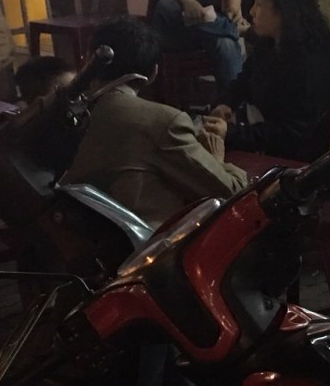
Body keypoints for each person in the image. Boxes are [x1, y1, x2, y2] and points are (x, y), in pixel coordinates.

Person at [64, 16, 247, 228]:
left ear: (89, 58)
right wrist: (216, 159)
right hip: (145, 243)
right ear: (153, 73)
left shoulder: (64, 110)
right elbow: (232, 191)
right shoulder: (163, 122)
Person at [211, 0, 330, 162]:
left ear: (283, 10)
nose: (252, 11)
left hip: (292, 161)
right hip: (261, 143)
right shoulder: (268, 46)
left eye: (259, 3)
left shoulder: (312, 66)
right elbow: (242, 83)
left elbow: (290, 135)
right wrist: (225, 104)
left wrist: (232, 133)